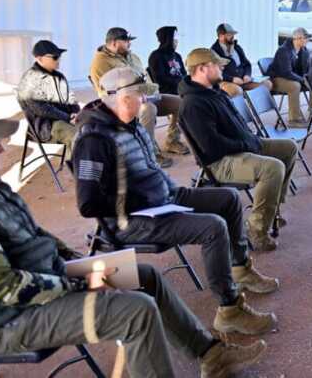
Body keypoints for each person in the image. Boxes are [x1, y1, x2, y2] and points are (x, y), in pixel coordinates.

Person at [0, 110, 265, 378]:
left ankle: (211, 355)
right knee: (135, 312)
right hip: (5, 320)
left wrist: (78, 262)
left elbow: (32, 235)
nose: (2, 149)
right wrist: (81, 282)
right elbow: (6, 289)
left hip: (45, 282)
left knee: (144, 277)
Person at [73, 67, 278, 336]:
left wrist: (160, 195)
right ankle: (229, 309)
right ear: (123, 99)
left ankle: (240, 269)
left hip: (164, 199)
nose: (146, 101)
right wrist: (142, 202)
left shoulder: (130, 124)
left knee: (228, 198)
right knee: (213, 227)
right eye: (140, 96)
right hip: (135, 218)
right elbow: (88, 204)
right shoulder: (94, 140)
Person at [179, 49, 298, 251]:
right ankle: (257, 229)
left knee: (288, 148)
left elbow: (236, 127)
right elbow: (212, 146)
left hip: (241, 147)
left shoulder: (214, 91)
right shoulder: (193, 104)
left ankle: (272, 210)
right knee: (272, 168)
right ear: (201, 69)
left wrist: (250, 141)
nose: (222, 68)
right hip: (220, 162)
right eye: (217, 65)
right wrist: (246, 144)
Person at [89, 27, 189, 167]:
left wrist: (151, 91)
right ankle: (148, 152)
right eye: (126, 41)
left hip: (146, 96)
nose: (130, 44)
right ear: (114, 42)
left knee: (181, 103)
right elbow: (108, 93)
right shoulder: (100, 63)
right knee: (148, 109)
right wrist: (139, 95)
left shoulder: (132, 57)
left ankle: (172, 140)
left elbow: (145, 78)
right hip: (123, 104)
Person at [16, 39, 81, 160]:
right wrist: (68, 117)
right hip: (44, 126)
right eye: (55, 57)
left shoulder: (59, 76)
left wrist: (77, 114)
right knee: (79, 136)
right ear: (39, 58)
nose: (58, 60)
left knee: (93, 130)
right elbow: (42, 110)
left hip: (64, 120)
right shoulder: (30, 80)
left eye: (59, 56)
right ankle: (81, 173)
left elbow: (71, 100)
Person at [266, 27, 312, 128]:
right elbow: (286, 72)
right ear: (298, 39)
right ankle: (294, 119)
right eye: (306, 38)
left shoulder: (304, 50)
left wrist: (309, 78)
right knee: (295, 86)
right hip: (277, 79)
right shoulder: (283, 50)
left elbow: (307, 69)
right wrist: (302, 80)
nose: (307, 40)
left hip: (292, 77)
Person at [210, 23, 273, 97]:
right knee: (237, 90)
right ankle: (238, 106)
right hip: (227, 82)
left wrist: (247, 75)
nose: (232, 37)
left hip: (244, 81)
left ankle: (256, 106)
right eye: (229, 34)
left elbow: (247, 64)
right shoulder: (213, 51)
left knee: (267, 84)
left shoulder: (237, 47)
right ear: (221, 36)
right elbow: (215, 73)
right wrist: (232, 79)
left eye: (233, 34)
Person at [147, 25, 186, 95]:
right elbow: (160, 80)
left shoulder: (177, 56)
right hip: (167, 93)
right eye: (175, 37)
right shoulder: (156, 56)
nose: (177, 41)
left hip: (182, 90)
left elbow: (184, 74)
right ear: (168, 38)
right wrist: (180, 82)